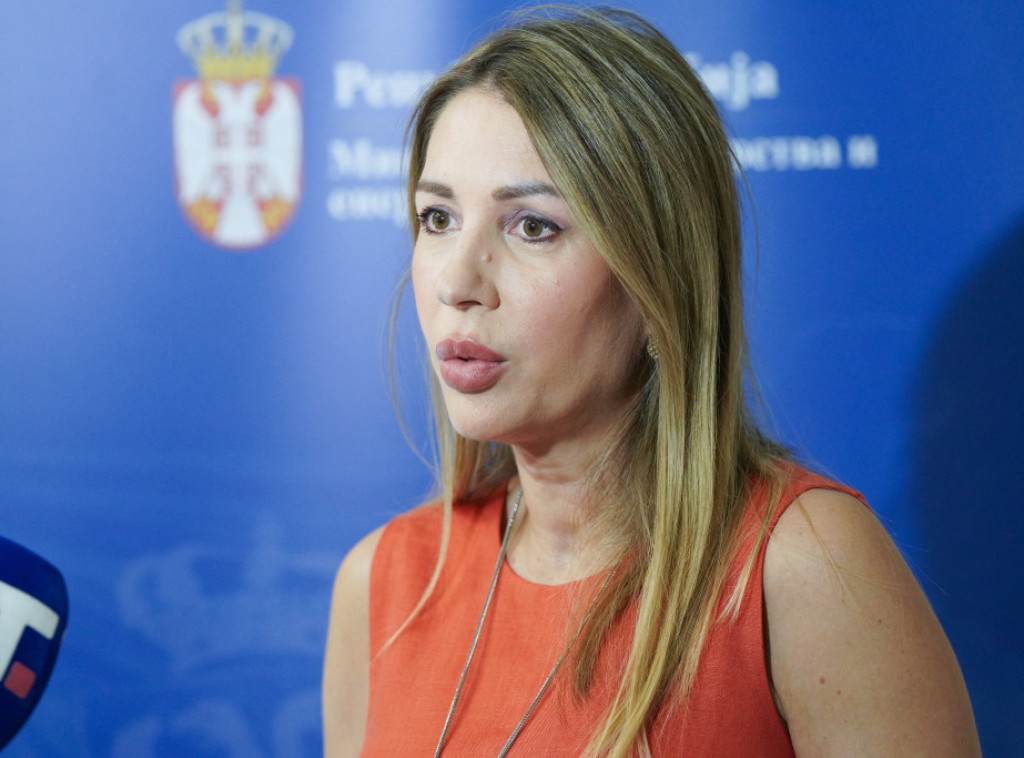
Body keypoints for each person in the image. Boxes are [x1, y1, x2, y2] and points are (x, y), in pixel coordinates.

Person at [322, 6, 980, 756]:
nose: (456, 282)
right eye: (437, 218)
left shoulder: (802, 568)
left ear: (658, 279)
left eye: (533, 226)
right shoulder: (381, 584)